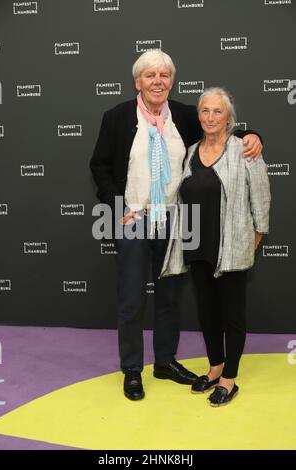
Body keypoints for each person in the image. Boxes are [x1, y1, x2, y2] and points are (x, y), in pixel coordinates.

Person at [90, 51, 263, 401]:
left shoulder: (184, 115)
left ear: (172, 81)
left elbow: (221, 127)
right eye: (150, 75)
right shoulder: (116, 118)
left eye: (165, 75)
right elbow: (100, 166)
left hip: (176, 220)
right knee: (131, 299)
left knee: (170, 296)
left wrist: (253, 135)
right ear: (137, 81)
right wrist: (117, 206)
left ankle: (165, 362)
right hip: (133, 220)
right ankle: (133, 369)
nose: (158, 81)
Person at [161, 87, 270, 406]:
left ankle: (230, 378)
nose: (210, 117)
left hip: (232, 245)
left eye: (217, 111)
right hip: (196, 243)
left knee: (232, 314)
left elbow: (261, 195)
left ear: (228, 118)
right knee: (207, 312)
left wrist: (257, 234)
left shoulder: (245, 150)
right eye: (205, 111)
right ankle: (214, 366)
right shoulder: (191, 151)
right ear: (199, 116)